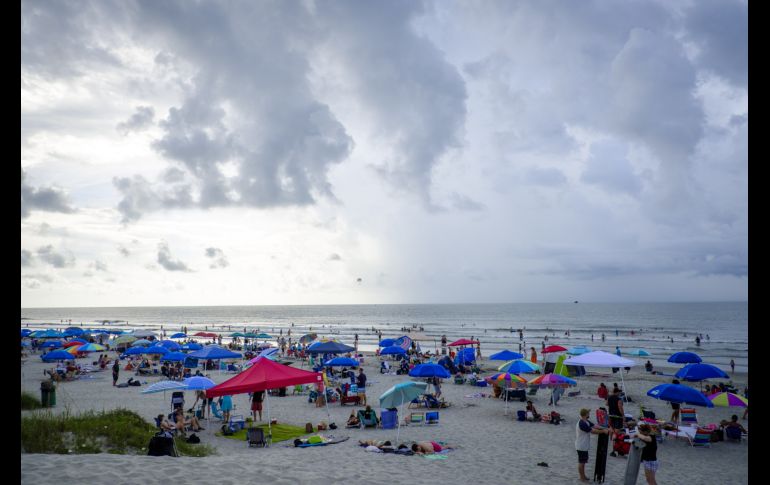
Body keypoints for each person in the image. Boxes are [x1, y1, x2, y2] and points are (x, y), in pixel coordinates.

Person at [576, 408, 611, 482]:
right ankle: (581, 477)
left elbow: (595, 426)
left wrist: (605, 428)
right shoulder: (582, 423)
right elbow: (593, 431)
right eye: (588, 413)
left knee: (583, 461)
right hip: (581, 445)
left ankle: (583, 476)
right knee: (581, 462)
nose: (589, 414)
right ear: (585, 414)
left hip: (584, 445)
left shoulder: (585, 421)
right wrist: (603, 431)